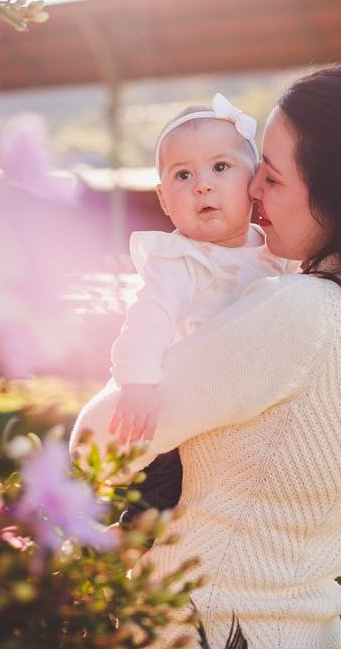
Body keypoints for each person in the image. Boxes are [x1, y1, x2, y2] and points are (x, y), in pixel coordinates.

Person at [70, 65, 341, 649]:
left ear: (339, 194)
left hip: (205, 628)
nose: (251, 191)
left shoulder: (303, 313)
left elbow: (97, 440)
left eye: (270, 177)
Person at [105, 94, 300, 520]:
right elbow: (150, 315)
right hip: (186, 405)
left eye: (220, 167)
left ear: (255, 180)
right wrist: (136, 382)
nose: (202, 185)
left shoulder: (277, 250)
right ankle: (128, 538)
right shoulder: (182, 260)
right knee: (163, 499)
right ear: (162, 198)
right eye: (183, 175)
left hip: (246, 400)